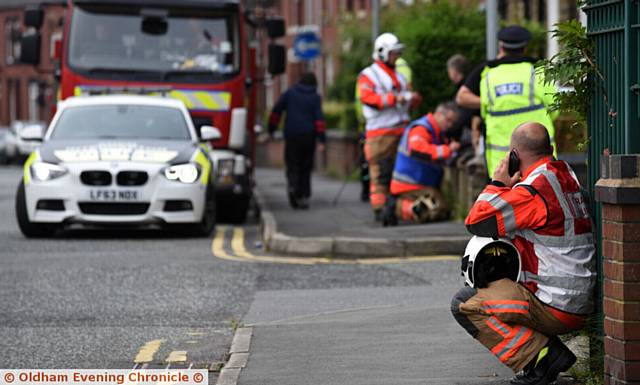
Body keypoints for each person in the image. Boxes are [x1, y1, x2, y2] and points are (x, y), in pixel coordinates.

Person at [451, 122, 596, 385]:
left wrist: (498, 183)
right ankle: (545, 355)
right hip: (579, 300)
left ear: (514, 155)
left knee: (465, 303)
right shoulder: (564, 175)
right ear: (550, 149)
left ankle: (541, 359)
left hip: (555, 306)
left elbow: (477, 220)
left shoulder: (534, 190)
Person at [455, 26, 558, 178]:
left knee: (505, 200)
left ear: (501, 46)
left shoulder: (487, 73)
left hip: (501, 164)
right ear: (525, 48)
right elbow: (554, 107)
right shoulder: (538, 69)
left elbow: (474, 104)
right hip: (537, 155)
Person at [358, 32, 420, 221]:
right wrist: (395, 98)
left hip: (400, 131)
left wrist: (413, 99)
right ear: (382, 52)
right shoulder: (369, 75)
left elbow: (407, 98)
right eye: (394, 53)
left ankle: (393, 209)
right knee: (381, 173)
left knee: (398, 174)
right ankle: (380, 210)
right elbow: (368, 98)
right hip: (380, 133)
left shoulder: (399, 77)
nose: (397, 57)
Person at [382, 101, 461, 226]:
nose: (450, 125)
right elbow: (417, 149)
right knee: (435, 209)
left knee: (443, 210)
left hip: (420, 183)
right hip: (409, 184)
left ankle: (404, 205)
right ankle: (395, 206)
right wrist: (448, 150)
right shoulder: (422, 128)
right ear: (439, 114)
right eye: (448, 120)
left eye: (452, 122)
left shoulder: (435, 131)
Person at [268, 72, 326, 209]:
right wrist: (321, 139)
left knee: (293, 164)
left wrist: (271, 129)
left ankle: (293, 188)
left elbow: (276, 111)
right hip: (308, 136)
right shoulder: (315, 97)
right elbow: (319, 119)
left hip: (292, 135)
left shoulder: (290, 93)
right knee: (306, 166)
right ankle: (303, 195)